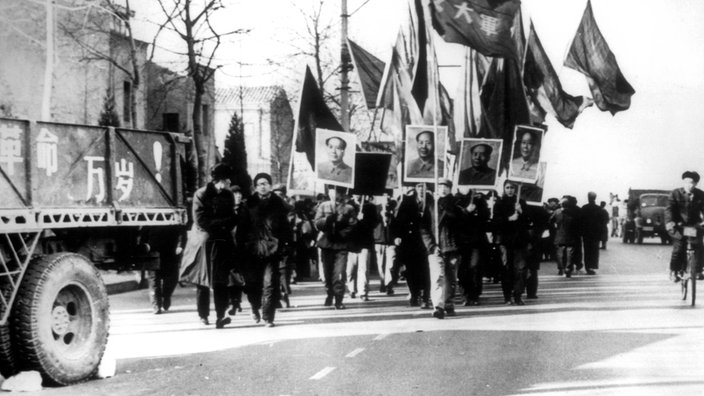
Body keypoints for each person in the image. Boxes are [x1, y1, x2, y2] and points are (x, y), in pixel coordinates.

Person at [180, 163, 237, 328]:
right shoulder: (201, 194)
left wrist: (223, 223)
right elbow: (201, 221)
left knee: (221, 280)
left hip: (221, 242)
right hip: (204, 242)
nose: (228, 183)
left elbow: (232, 217)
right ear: (219, 180)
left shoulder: (228, 195)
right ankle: (203, 314)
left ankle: (221, 315)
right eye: (226, 180)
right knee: (203, 280)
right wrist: (224, 223)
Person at [242, 173, 293, 328]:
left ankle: (268, 317)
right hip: (253, 251)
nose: (262, 186)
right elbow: (242, 228)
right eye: (259, 184)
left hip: (273, 249)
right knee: (253, 284)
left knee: (270, 283)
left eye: (265, 183)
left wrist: (286, 246)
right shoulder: (248, 204)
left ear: (270, 185)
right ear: (255, 187)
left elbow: (286, 228)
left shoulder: (279, 204)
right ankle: (254, 306)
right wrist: (242, 247)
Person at [418, 178, 463, 319]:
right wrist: (431, 245)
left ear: (450, 189)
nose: (443, 189)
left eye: (446, 186)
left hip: (452, 247)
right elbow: (424, 228)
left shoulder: (456, 205)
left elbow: (461, 225)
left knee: (451, 279)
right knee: (438, 277)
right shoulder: (430, 205)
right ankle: (438, 306)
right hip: (435, 248)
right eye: (440, 186)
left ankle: (449, 303)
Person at [314, 185, 357, 309]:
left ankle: (339, 298)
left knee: (339, 273)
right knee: (327, 274)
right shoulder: (323, 206)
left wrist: (342, 232)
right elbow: (317, 223)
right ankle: (329, 293)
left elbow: (353, 225)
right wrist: (327, 220)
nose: (335, 193)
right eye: (333, 190)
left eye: (338, 191)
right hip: (327, 243)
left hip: (341, 245)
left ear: (343, 193)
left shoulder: (349, 208)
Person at [393, 184, 431, 308]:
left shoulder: (431, 201)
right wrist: (397, 236)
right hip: (410, 241)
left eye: (424, 186)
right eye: (419, 186)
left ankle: (425, 296)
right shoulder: (407, 200)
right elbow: (398, 220)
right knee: (411, 270)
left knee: (426, 270)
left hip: (426, 241)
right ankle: (414, 294)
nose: (421, 189)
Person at [494, 180, 530, 305]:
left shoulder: (521, 202)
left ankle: (518, 294)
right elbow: (495, 222)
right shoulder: (499, 203)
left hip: (520, 241)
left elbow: (528, 222)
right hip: (505, 242)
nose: (510, 190)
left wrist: (521, 212)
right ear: (504, 189)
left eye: (512, 188)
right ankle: (507, 296)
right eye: (507, 187)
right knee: (506, 269)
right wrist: (509, 218)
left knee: (520, 269)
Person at [665, 171, 704, 282]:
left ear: (696, 183)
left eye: (692, 182)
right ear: (683, 182)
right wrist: (670, 223)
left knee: (699, 246)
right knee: (679, 248)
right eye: (686, 182)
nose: (689, 185)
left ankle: (697, 271)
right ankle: (674, 271)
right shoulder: (675, 194)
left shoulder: (701, 195)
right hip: (678, 226)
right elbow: (669, 210)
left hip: (693, 226)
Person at [456, 189, 489, 306]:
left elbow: (486, 217)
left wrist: (478, 210)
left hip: (476, 240)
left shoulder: (478, 199)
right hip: (459, 241)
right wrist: (466, 211)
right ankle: (465, 295)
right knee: (462, 269)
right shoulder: (455, 200)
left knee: (474, 267)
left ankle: (474, 295)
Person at [552, 196, 581, 278]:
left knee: (560, 253)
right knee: (569, 253)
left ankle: (561, 269)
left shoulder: (557, 212)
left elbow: (550, 220)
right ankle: (568, 269)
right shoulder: (574, 212)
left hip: (559, 235)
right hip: (571, 235)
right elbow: (578, 224)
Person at [581, 192, 602, 275]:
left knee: (587, 250)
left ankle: (588, 267)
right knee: (594, 250)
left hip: (586, 233)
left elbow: (581, 220)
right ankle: (592, 266)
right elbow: (602, 221)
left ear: (588, 198)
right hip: (596, 233)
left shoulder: (584, 208)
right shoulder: (599, 208)